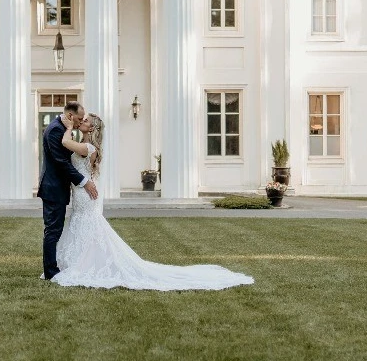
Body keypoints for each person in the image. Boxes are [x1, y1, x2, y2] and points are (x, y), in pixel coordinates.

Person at [51, 112, 254, 291]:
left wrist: (68, 127)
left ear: (92, 127)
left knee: (88, 224)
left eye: (85, 121)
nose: (81, 122)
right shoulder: (86, 145)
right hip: (82, 193)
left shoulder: (88, 147)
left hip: (86, 195)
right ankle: (81, 261)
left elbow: (65, 143)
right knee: (82, 224)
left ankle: (86, 265)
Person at [37, 101, 98, 280]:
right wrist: (84, 181)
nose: (80, 122)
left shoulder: (63, 130)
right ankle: (50, 271)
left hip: (60, 188)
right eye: (79, 119)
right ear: (71, 116)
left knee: (56, 229)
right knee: (53, 230)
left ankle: (62, 266)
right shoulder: (55, 130)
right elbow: (61, 162)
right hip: (53, 189)